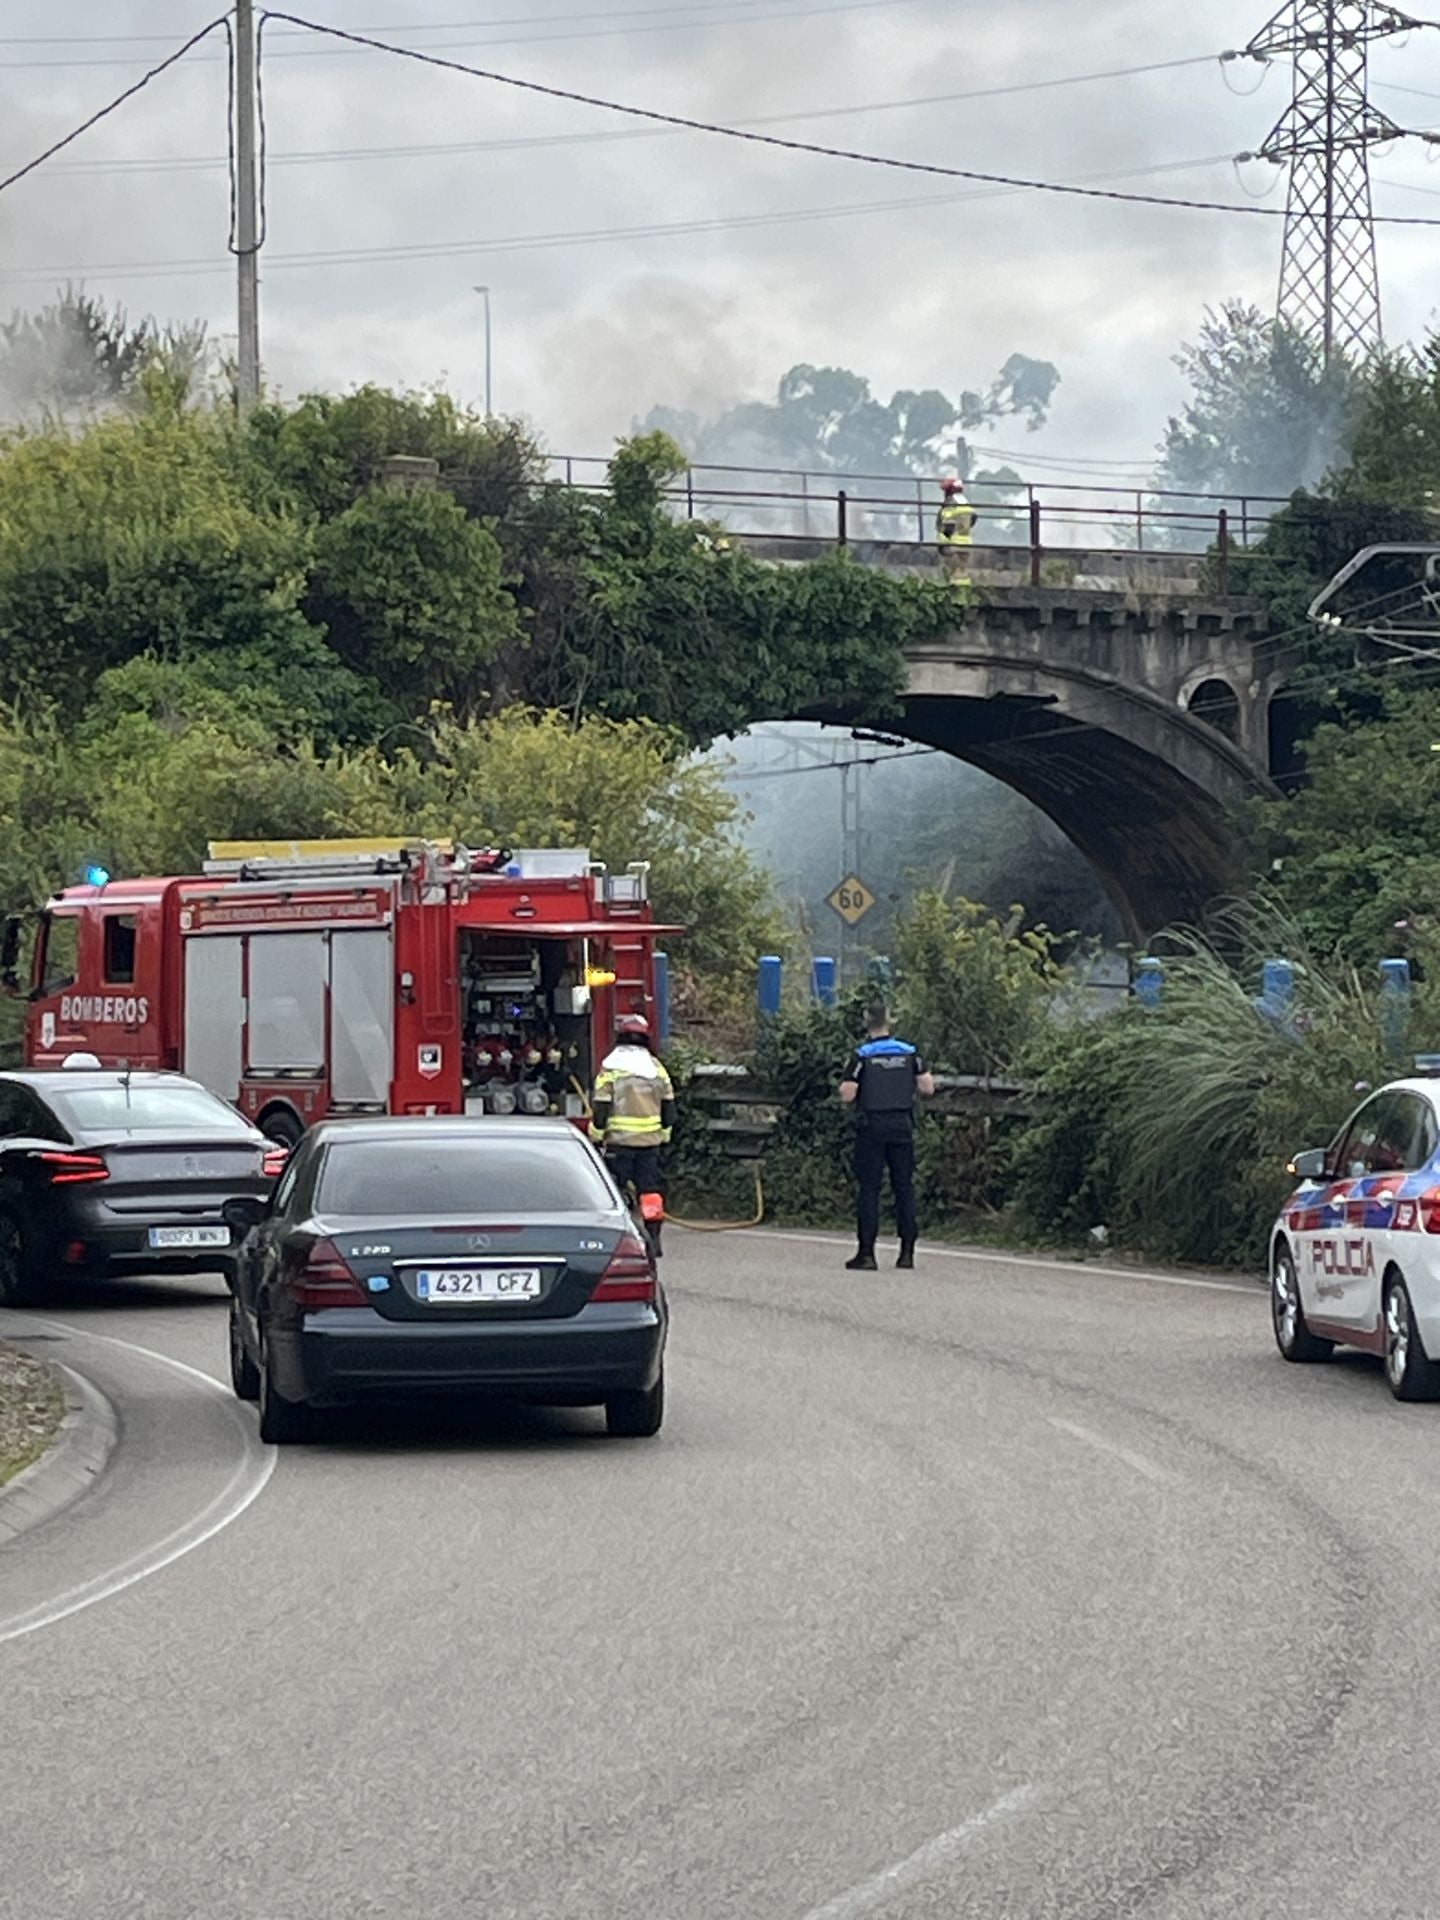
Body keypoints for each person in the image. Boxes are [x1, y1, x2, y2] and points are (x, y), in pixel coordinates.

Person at [838, 1002, 935, 1271]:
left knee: (870, 1188)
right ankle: (907, 1253)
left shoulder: (862, 1054)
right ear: (889, 1022)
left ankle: (867, 1254)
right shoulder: (909, 1052)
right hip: (902, 1124)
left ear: (866, 1023)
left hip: (872, 1126)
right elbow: (928, 1087)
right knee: (904, 1187)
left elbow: (848, 1094)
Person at [592, 1013, 675, 1255]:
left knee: (614, 1189)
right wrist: (664, 1134)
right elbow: (669, 1106)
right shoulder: (656, 1069)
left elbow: (602, 1106)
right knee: (650, 1192)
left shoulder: (611, 1067)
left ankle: (619, 1240)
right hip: (650, 1144)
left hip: (619, 1142)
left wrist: (597, 1134)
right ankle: (654, 1239)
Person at [936, 477, 975, 587]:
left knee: (953, 571)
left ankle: (954, 593)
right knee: (962, 571)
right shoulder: (965, 502)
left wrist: (943, 541)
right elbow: (974, 517)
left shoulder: (951, 503)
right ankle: (964, 591)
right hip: (966, 542)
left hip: (952, 543)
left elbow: (948, 524)